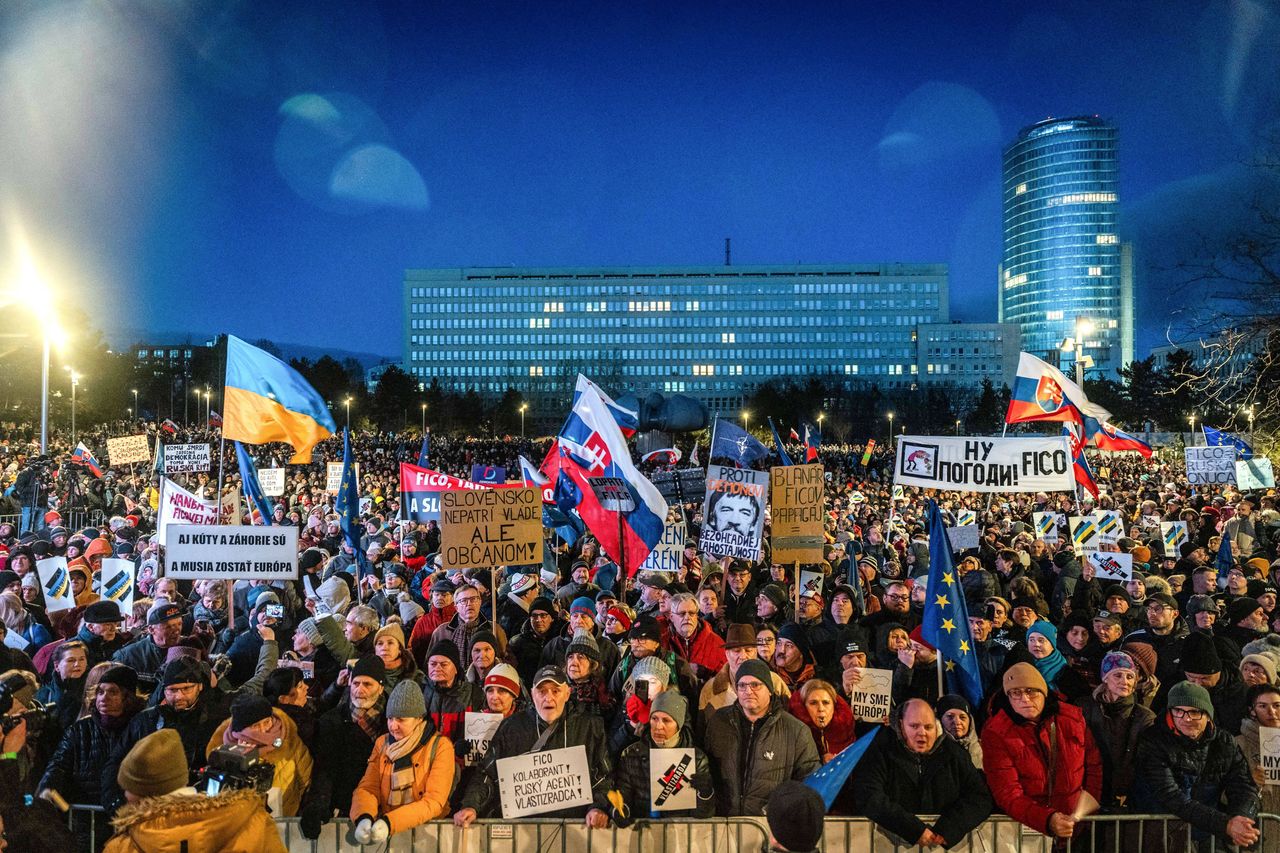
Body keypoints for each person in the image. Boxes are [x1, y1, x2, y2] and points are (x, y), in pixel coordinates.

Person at [452, 664, 614, 827]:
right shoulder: (511, 727)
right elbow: (487, 774)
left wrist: (598, 808)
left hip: (575, 830)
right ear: (532, 694)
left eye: (555, 691)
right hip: (521, 831)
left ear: (567, 694)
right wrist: (471, 806)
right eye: (542, 691)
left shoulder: (590, 727)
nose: (548, 698)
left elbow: (603, 777)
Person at [103, 728, 286, 852]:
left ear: (139, 793)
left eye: (127, 788)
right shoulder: (253, 822)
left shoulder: (125, 845)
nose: (125, 794)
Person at [981, 662, 1103, 841]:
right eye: (1016, 693)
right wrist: (1046, 820)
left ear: (1043, 692)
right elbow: (1007, 792)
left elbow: (1093, 765)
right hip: (1030, 831)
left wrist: (1085, 810)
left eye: (1031, 691)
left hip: (1077, 826)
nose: (1024, 699)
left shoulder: (1072, 718)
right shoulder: (996, 732)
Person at [1132, 680, 1261, 850]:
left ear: (1208, 715)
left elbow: (1243, 786)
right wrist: (1226, 824)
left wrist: (1241, 819)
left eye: (1195, 712)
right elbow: (1171, 796)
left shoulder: (1224, 742)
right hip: (1162, 833)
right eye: (1179, 711)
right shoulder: (1153, 741)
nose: (1186, 718)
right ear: (1170, 712)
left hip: (1208, 833)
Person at [854, 698, 993, 849]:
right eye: (914, 726)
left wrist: (949, 828)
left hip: (943, 845)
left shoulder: (954, 753)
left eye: (928, 727)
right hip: (890, 844)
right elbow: (868, 795)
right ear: (901, 724)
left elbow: (980, 797)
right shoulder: (880, 750)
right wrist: (912, 829)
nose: (922, 733)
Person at [703, 658, 821, 815]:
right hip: (724, 824)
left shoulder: (796, 731)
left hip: (770, 828)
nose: (748, 691)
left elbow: (809, 783)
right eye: (742, 685)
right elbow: (707, 767)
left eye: (755, 685)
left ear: (770, 689)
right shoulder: (719, 722)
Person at [348, 681, 456, 843]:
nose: (393, 726)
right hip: (387, 832)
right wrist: (363, 815)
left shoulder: (440, 746)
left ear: (419, 718)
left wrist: (390, 822)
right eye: (390, 718)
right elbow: (368, 787)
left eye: (401, 720)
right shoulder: (382, 743)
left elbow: (434, 801)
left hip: (427, 837)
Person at [300, 656, 388, 840]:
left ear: (380, 687)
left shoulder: (392, 721)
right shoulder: (332, 721)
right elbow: (325, 768)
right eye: (355, 683)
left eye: (367, 684)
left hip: (383, 811)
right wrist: (318, 805)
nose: (359, 690)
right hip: (345, 806)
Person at [610, 691, 714, 824]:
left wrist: (705, 794)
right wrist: (620, 810)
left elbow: (703, 815)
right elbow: (623, 795)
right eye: (654, 719)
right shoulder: (631, 754)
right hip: (641, 834)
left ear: (679, 724)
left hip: (681, 835)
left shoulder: (697, 759)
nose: (658, 726)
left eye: (666, 720)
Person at [205, 692, 313, 817]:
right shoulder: (220, 749)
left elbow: (306, 781)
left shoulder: (290, 741)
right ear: (240, 729)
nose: (263, 730)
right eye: (255, 726)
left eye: (267, 722)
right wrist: (239, 762)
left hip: (283, 821)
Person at [1079, 650, 1156, 809]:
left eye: (1129, 676)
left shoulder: (1144, 718)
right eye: (1117, 675)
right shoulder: (1084, 708)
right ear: (1105, 678)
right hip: (1088, 790)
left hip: (1124, 796)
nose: (1124, 681)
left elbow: (1144, 762)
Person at [1236, 682, 1280, 822]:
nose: (1272, 712)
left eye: (1277, 705)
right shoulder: (1238, 744)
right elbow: (1222, 793)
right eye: (1263, 706)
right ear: (1252, 711)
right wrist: (1249, 782)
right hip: (1256, 830)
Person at [788, 679, 855, 763]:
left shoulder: (846, 732)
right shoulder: (792, 736)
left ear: (834, 706)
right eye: (813, 703)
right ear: (804, 707)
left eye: (826, 703)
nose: (821, 709)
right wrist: (819, 760)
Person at [935, 694, 982, 769]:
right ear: (940, 720)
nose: (957, 722)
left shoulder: (983, 750)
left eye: (962, 717)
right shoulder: (934, 753)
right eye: (950, 717)